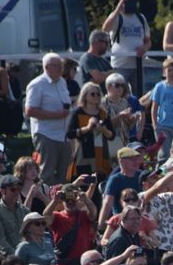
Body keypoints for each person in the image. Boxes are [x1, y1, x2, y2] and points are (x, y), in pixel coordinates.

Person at [25, 53, 72, 185]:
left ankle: (63, 204)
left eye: (61, 66)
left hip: (64, 135)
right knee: (47, 174)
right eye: (56, 66)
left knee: (65, 175)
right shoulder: (37, 84)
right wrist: (56, 115)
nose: (60, 69)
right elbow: (29, 110)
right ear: (47, 67)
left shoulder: (62, 82)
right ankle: (45, 203)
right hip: (46, 134)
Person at [102, 0, 150, 89]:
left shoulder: (140, 18)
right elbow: (105, 28)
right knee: (118, 93)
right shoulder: (117, 17)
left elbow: (148, 41)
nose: (129, 0)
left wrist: (144, 48)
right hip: (120, 65)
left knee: (139, 95)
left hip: (138, 64)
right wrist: (118, 9)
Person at [67, 82, 116, 179]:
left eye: (98, 94)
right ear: (85, 96)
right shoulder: (77, 112)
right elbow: (70, 134)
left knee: (100, 184)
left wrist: (102, 129)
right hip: (84, 155)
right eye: (92, 94)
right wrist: (87, 128)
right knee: (84, 183)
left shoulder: (103, 114)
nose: (96, 96)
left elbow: (112, 136)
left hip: (101, 156)